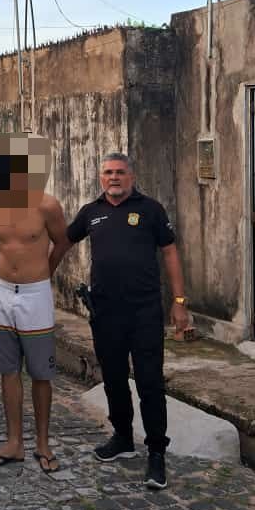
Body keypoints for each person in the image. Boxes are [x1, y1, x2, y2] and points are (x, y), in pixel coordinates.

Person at [63, 152, 190, 490]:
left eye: (120, 172)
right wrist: (36, 273)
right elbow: (63, 240)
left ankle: (156, 453)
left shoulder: (150, 210)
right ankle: (122, 437)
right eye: (108, 173)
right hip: (105, 312)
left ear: (131, 176)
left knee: (150, 383)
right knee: (114, 380)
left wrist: (179, 303)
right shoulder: (91, 213)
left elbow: (170, 253)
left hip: (145, 312)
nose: (114, 178)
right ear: (100, 178)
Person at [0, 134, 69, 474]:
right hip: (3, 293)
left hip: (35, 296)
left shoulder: (46, 205)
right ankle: (14, 442)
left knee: (40, 373)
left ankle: (43, 444)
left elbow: (62, 242)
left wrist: (43, 274)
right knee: (8, 369)